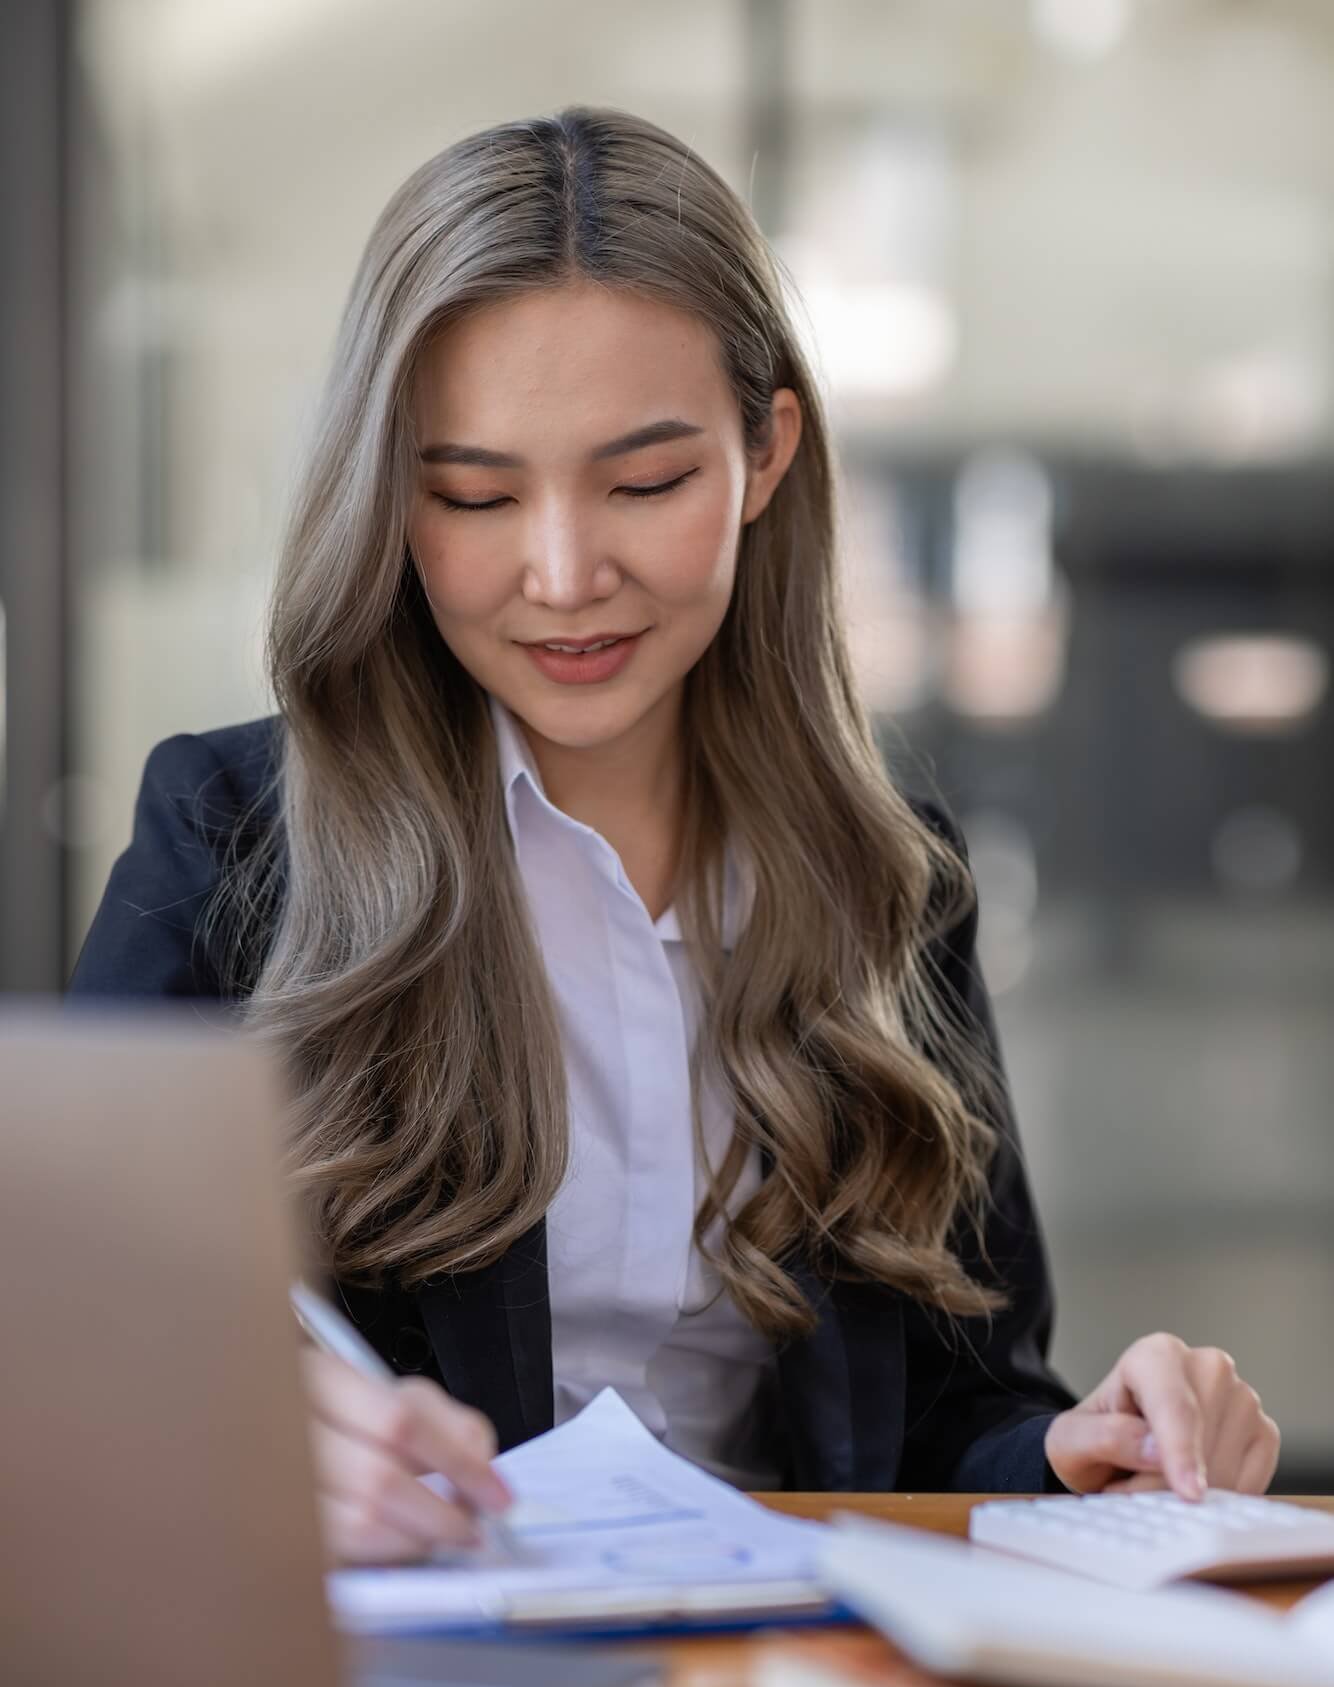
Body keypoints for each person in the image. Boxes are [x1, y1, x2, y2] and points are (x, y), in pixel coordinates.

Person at [67, 106, 1280, 1562]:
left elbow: (953, 1416)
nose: (566, 574)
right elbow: (68, 1368)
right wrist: (255, 1450)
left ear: (765, 455)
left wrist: (1094, 1454)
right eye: (474, 495)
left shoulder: (888, 872)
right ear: (390, 492)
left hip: (785, 1685)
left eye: (646, 482)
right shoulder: (230, 840)